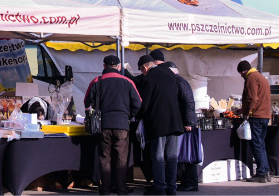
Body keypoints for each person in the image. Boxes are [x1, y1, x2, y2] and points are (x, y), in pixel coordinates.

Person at [84, 55, 141, 196]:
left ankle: (105, 190)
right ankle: (121, 189)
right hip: (122, 124)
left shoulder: (97, 81)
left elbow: (87, 102)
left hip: (103, 124)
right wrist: (128, 115)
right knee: (121, 159)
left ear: (104, 66)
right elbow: (138, 102)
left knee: (105, 158)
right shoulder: (128, 81)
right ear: (119, 67)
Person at [136, 54, 190, 195]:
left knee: (158, 157)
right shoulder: (170, 74)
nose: (142, 73)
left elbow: (145, 104)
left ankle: (159, 187)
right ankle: (171, 188)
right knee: (172, 157)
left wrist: (137, 116)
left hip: (159, 123)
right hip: (175, 121)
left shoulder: (149, 79)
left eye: (142, 70)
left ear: (145, 68)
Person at [150, 52, 198, 193]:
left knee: (185, 154)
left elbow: (188, 101)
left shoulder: (178, 81)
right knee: (177, 155)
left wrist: (188, 121)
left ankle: (190, 181)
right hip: (179, 122)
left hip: (182, 123)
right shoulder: (176, 80)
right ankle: (179, 183)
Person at [237, 60, 272, 183]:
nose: (241, 76)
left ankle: (261, 173)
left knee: (256, 144)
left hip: (257, 116)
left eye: (240, 73)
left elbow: (252, 98)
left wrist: (246, 113)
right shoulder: (261, 77)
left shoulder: (251, 78)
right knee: (261, 144)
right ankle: (266, 171)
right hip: (265, 115)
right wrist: (242, 109)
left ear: (243, 71)